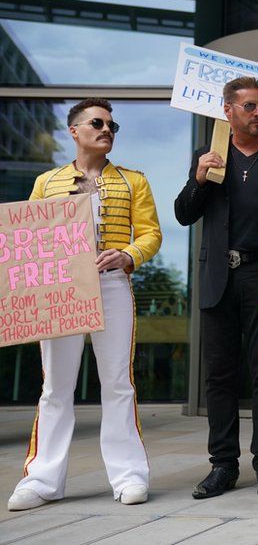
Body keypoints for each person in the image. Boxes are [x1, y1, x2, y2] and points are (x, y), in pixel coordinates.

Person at [8, 98, 162, 510]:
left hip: (112, 284)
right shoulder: (46, 182)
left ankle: (129, 474)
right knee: (55, 386)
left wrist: (129, 255)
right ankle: (41, 479)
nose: (108, 129)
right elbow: (31, 238)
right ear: (74, 130)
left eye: (113, 125)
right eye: (98, 122)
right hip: (61, 287)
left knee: (117, 383)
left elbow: (150, 233)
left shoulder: (134, 181)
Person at [175, 77, 258, 499]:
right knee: (220, 377)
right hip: (217, 278)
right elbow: (183, 215)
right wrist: (199, 178)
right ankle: (223, 466)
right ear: (227, 110)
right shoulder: (208, 156)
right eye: (249, 106)